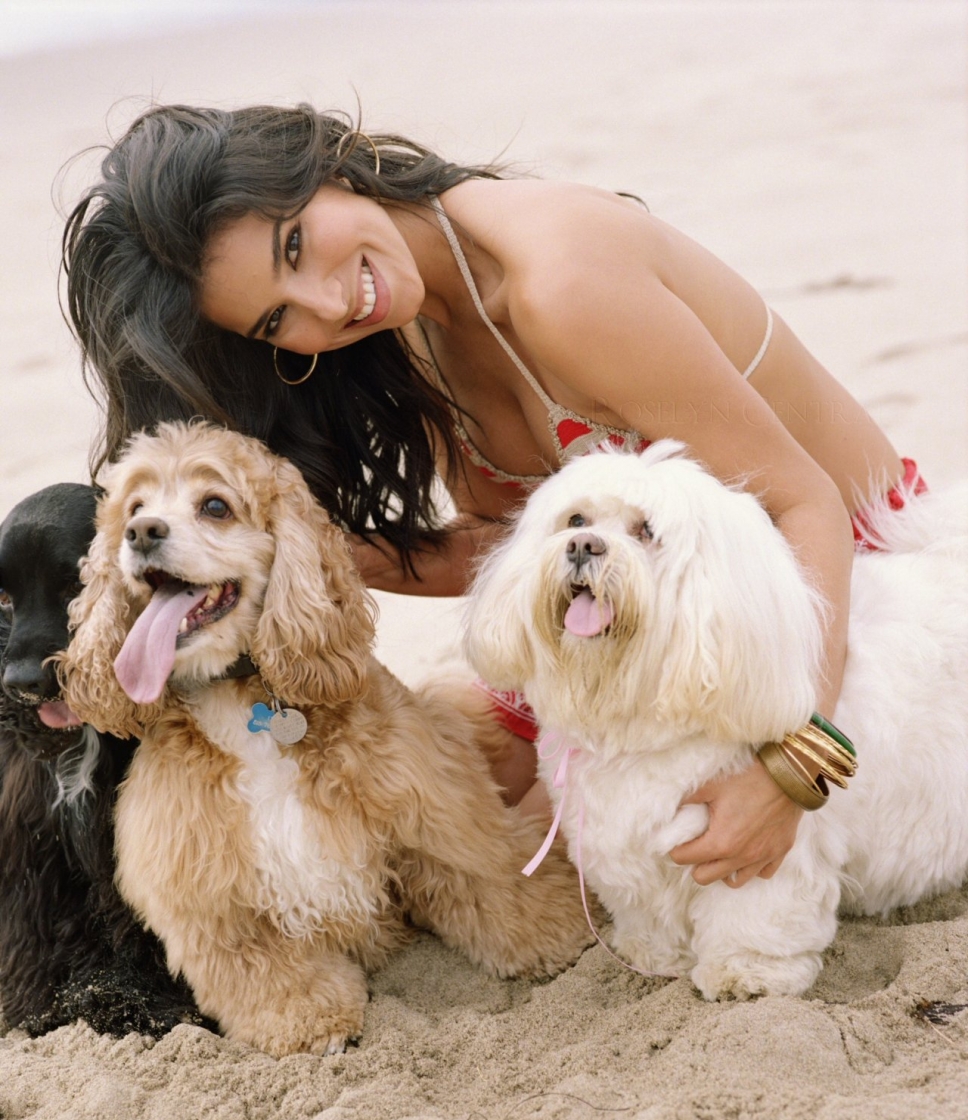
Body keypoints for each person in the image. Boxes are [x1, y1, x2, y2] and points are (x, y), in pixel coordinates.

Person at [62, 102, 921, 891]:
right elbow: (498, 547)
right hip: (648, 615)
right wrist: (299, 554)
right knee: (457, 782)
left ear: (320, 163)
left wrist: (796, 761)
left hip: (846, 583)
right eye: (279, 321)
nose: (327, 302)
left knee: (601, 831)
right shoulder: (409, 330)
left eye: (295, 245)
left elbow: (804, 500)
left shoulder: (560, 283)